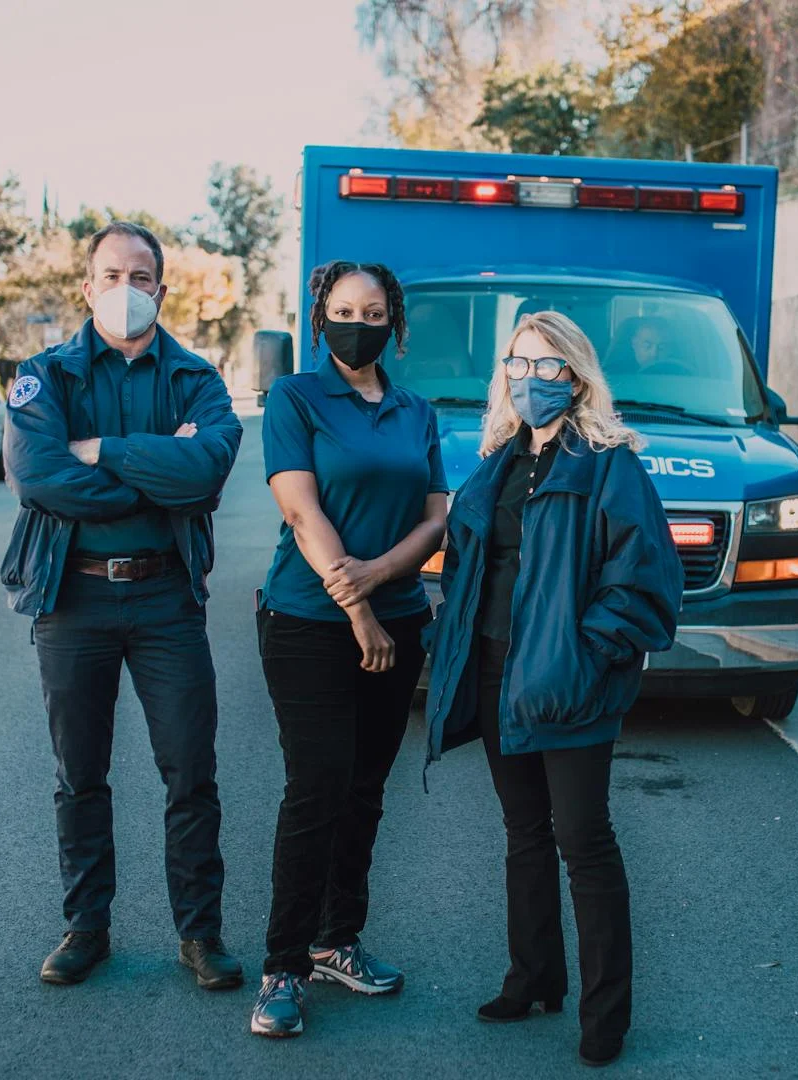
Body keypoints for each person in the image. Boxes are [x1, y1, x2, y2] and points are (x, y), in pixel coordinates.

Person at [421, 311, 682, 1069]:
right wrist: (452, 638)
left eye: (546, 366)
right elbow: (468, 563)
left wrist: (587, 654)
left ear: (576, 376)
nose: (529, 379)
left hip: (569, 680)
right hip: (496, 672)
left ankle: (606, 1018)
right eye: (517, 364)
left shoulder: (608, 465)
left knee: (584, 843)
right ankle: (532, 978)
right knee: (524, 832)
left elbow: (642, 579)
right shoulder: (497, 462)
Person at [0, 221, 245, 991]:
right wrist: (156, 472)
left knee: (191, 772)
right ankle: (86, 928)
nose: (125, 289)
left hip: (167, 597)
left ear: (161, 290)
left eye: (140, 277)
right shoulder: (46, 375)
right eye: (111, 275)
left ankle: (200, 935)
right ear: (87, 286)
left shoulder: (196, 378)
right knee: (80, 774)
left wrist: (103, 449)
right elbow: (39, 478)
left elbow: (206, 473)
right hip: (72, 598)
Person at [248, 261, 449, 1038]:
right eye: (342, 311)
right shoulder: (296, 398)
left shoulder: (415, 411)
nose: (356, 325)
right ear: (319, 317)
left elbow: (435, 518)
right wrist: (358, 609)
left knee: (364, 790)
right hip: (307, 621)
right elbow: (303, 513)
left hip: (399, 618)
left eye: (371, 313)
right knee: (317, 789)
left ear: (392, 323)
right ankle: (282, 966)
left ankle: (337, 941)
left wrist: (381, 578)